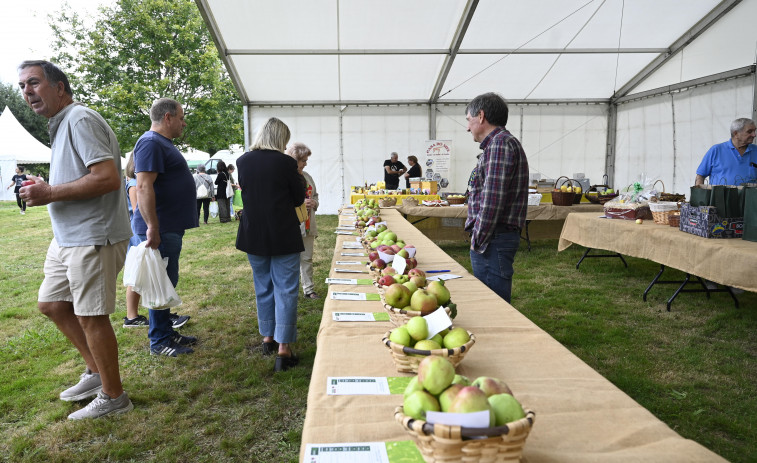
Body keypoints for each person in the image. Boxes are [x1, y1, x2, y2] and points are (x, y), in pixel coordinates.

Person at [17, 60, 133, 418]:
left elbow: (107, 179)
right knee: (52, 304)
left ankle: (114, 398)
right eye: (22, 86)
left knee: (91, 316)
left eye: (33, 83)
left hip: (93, 235)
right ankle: (97, 374)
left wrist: (50, 192)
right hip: (67, 237)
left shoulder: (81, 119)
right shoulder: (63, 123)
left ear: (60, 87)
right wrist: (46, 188)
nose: (26, 92)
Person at [236, 117, 305, 372]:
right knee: (285, 289)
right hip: (283, 233)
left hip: (253, 234)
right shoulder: (286, 162)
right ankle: (283, 348)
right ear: (280, 139)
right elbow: (298, 198)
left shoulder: (242, 161)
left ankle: (267, 337)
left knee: (262, 286)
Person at [131, 97, 199, 356]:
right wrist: (152, 227)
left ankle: (167, 332)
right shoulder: (150, 142)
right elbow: (144, 186)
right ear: (167, 117)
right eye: (181, 117)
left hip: (168, 226)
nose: (184, 123)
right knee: (159, 283)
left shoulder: (161, 143)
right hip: (159, 227)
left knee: (166, 280)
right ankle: (159, 341)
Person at [464, 92, 529, 303]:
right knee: (490, 301)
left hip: (493, 238)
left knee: (492, 304)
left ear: (480, 116)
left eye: (468, 120)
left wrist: (478, 240)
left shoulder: (500, 144)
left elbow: (492, 201)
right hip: (494, 237)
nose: (467, 127)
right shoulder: (498, 144)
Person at [123, 154, 191, 329]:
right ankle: (133, 316)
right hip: (140, 233)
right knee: (140, 274)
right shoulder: (134, 183)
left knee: (143, 273)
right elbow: (139, 209)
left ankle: (161, 314)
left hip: (142, 231)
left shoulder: (137, 181)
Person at [286, 142, 320, 299]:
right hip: (292, 226)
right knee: (290, 261)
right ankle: (289, 291)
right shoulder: (286, 177)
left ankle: (308, 289)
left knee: (307, 258)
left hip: (308, 225)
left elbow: (315, 196)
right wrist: (298, 205)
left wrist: (314, 203)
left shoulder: (307, 177)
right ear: (295, 159)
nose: (306, 164)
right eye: (303, 160)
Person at [695, 118, 757, 185]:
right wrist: (699, 194)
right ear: (736, 133)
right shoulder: (716, 150)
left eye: (754, 131)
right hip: (720, 195)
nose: (754, 135)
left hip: (750, 195)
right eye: (749, 131)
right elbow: (700, 176)